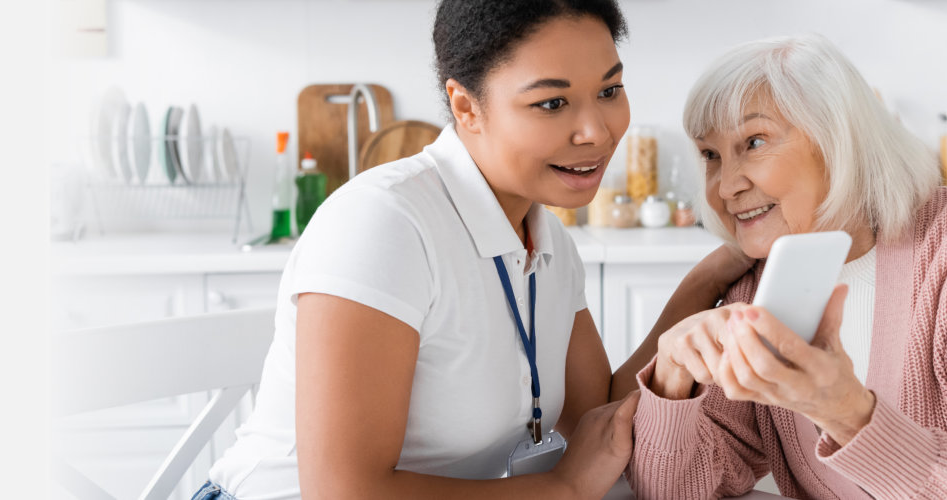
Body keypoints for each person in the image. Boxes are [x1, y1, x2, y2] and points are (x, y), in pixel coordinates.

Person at [613, 34, 947, 499]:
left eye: (753, 143)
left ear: (839, 140)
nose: (726, 186)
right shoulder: (755, 289)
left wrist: (846, 411)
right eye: (710, 155)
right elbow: (675, 488)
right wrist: (672, 377)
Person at [198, 1, 640, 499]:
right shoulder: (383, 223)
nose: (597, 131)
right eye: (552, 103)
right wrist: (565, 487)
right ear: (466, 106)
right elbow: (343, 492)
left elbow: (598, 416)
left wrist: (713, 279)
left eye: (609, 91)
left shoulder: (547, 239)